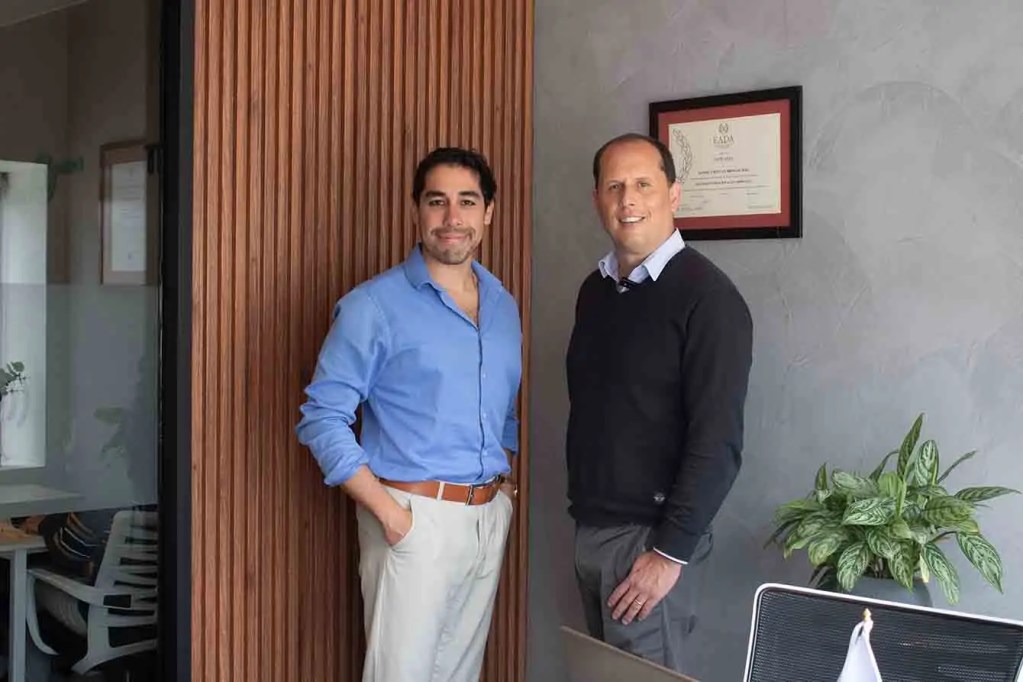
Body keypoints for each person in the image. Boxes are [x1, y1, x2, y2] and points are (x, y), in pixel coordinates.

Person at [296, 147, 522, 682]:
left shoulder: (502, 305)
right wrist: (391, 515)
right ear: (416, 210)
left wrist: (505, 492)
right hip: (413, 518)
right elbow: (321, 417)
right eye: (437, 201)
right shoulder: (373, 307)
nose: (452, 218)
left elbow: (504, 407)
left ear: (488, 211)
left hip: (488, 515)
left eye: (467, 202)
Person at [565, 133, 753, 672]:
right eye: (614, 186)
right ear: (598, 199)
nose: (629, 199)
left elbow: (718, 442)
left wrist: (669, 554)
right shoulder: (595, 291)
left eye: (643, 184)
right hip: (593, 531)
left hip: (651, 542)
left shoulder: (709, 299)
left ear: (673, 195)